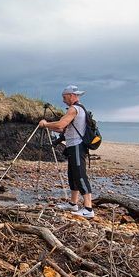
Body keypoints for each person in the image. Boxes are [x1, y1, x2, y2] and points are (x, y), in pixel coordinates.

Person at [39, 85, 94, 218]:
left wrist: (45, 124)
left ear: (71, 95)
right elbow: (62, 129)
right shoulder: (76, 109)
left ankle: (88, 208)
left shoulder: (74, 109)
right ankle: (73, 204)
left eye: (64, 97)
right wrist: (49, 126)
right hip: (72, 146)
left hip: (77, 146)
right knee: (73, 174)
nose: (63, 100)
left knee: (80, 174)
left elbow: (60, 125)